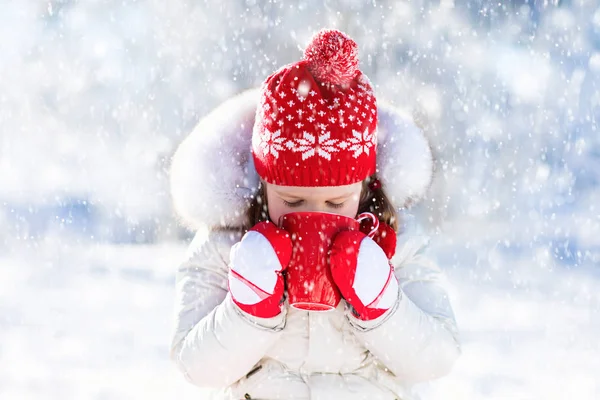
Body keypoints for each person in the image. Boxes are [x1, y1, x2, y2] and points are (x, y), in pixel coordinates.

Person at [168, 29, 461, 400]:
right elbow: (196, 368)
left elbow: (438, 360)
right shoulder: (224, 247)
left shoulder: (396, 244)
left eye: (336, 203)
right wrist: (248, 310)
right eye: (291, 201)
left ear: (365, 186)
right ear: (264, 183)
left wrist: (383, 305)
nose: (313, 213)